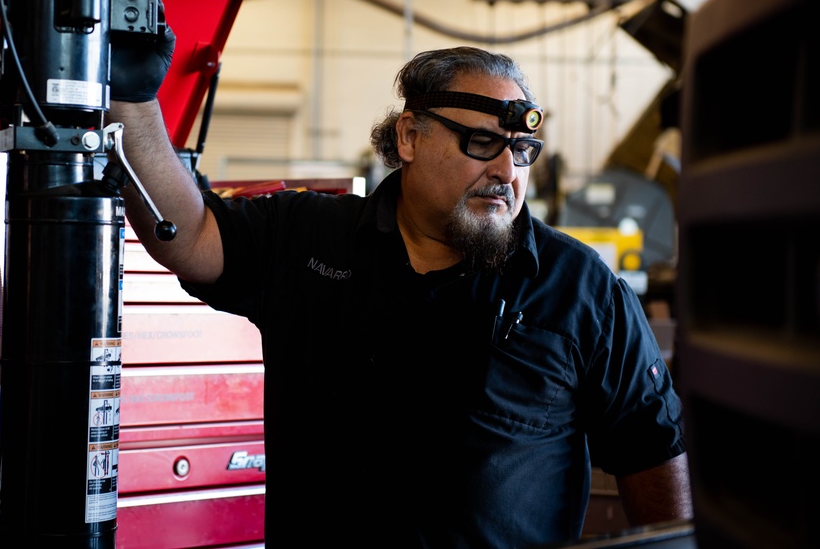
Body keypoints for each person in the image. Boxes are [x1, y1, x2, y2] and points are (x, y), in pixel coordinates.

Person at [109, 31, 692, 548]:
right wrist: (134, 102)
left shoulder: (578, 288)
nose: (508, 173)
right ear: (410, 137)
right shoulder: (308, 241)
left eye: (520, 151)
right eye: (482, 143)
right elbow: (187, 236)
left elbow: (654, 454)